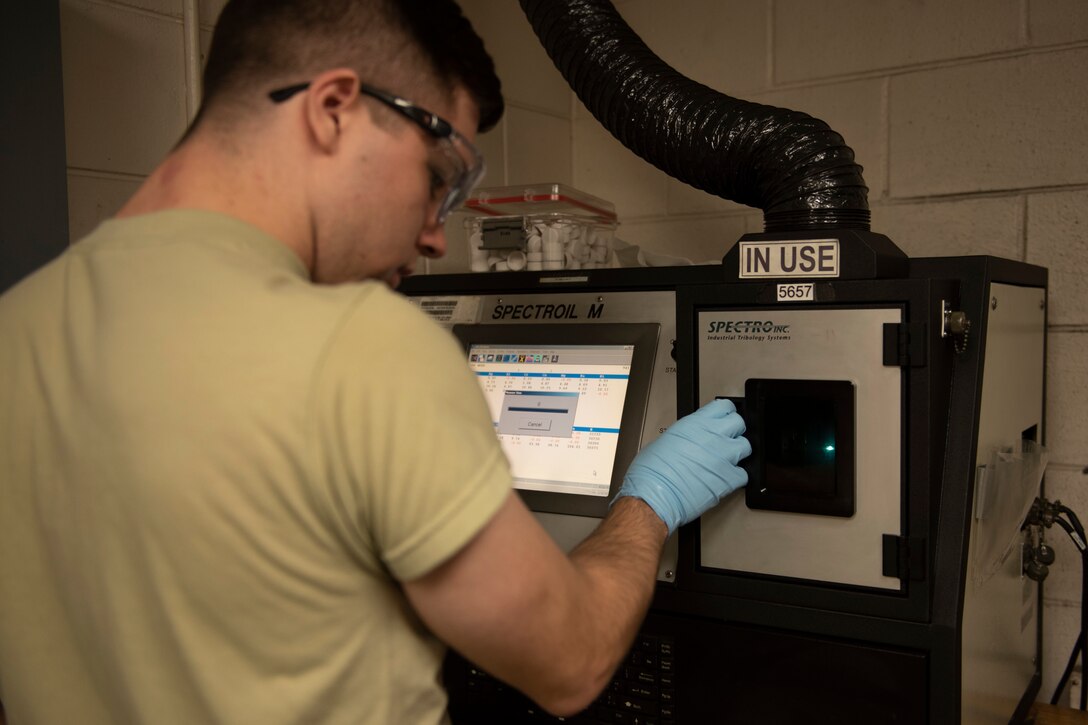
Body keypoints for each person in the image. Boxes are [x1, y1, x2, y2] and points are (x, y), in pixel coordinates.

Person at [0, 0, 751, 723]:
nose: (433, 235)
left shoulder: (19, 326)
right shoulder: (363, 344)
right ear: (332, 108)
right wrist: (648, 500)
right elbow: (572, 661)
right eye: (439, 176)